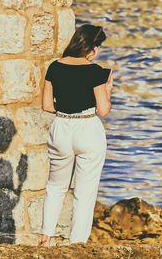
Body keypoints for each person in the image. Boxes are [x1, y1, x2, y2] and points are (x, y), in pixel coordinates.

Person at [40, 24, 113, 246]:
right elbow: (103, 109)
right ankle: (76, 245)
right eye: (98, 46)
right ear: (92, 48)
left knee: (55, 187)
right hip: (87, 128)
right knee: (85, 192)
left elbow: (46, 105)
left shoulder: (54, 67)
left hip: (62, 126)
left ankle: (46, 238)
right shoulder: (95, 71)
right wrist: (108, 88)